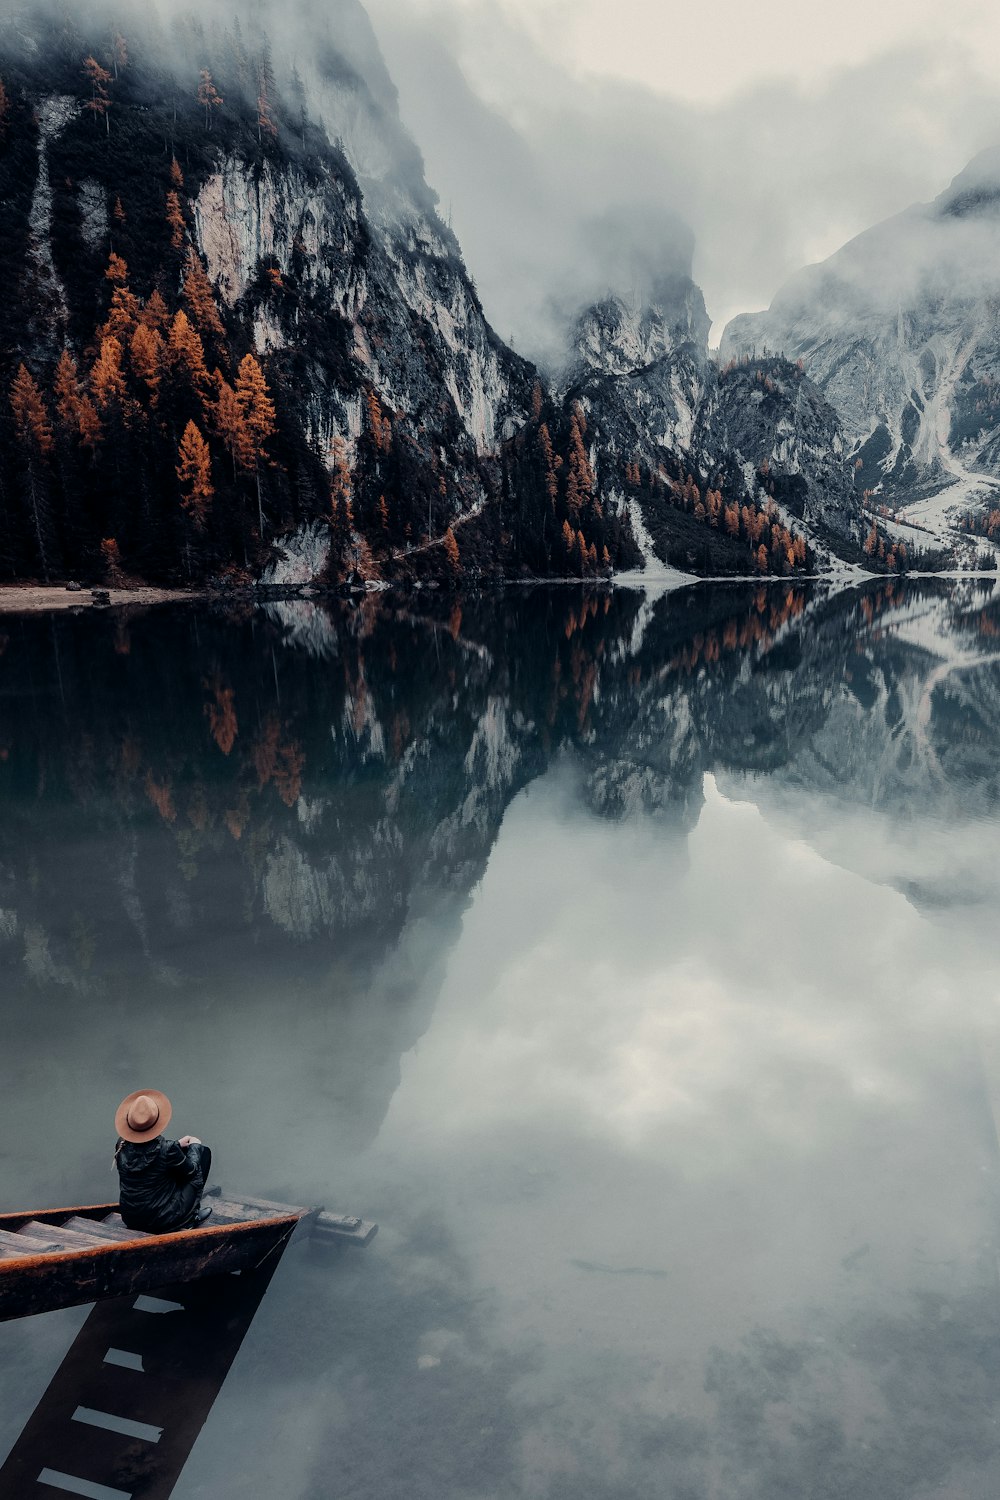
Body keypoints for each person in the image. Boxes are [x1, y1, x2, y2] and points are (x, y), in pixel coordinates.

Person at [114, 1089, 213, 1233]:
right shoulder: (167, 1149)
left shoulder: (121, 1144)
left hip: (131, 1218)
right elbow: (191, 1170)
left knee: (172, 1168)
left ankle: (182, 1214)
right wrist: (195, 1146)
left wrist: (177, 1145)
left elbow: (146, 1156)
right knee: (200, 1158)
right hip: (161, 1220)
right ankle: (191, 1218)